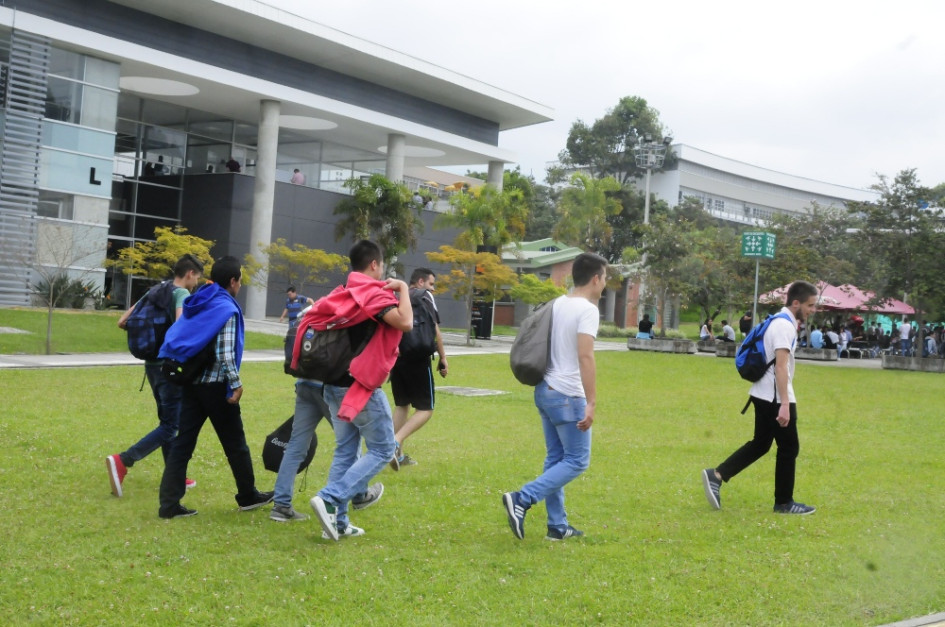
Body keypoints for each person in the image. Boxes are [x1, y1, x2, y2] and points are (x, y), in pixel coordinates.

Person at [307, 240, 413, 541]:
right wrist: (404, 288)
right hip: (359, 388)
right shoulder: (371, 293)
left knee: (346, 450)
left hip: (332, 384)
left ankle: (338, 523)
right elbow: (405, 322)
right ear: (375, 264)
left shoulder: (343, 292)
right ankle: (330, 498)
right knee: (383, 449)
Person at [157, 256, 273, 518]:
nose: (240, 284)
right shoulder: (225, 307)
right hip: (215, 386)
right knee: (235, 443)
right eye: (240, 279)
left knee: (183, 444)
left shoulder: (199, 300)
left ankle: (168, 505)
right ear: (232, 281)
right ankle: (248, 495)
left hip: (191, 382)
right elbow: (225, 353)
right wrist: (236, 384)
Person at [502, 252, 608, 541]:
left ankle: (557, 526)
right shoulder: (588, 310)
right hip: (567, 395)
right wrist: (591, 402)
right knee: (577, 460)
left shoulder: (558, 303)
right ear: (595, 278)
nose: (605, 284)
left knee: (556, 458)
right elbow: (585, 356)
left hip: (546, 390)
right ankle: (522, 498)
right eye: (605, 278)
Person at [702, 280, 819, 516]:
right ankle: (784, 503)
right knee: (789, 447)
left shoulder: (777, 321)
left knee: (761, 444)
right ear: (796, 303)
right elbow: (781, 367)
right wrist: (785, 404)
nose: (813, 310)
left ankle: (717, 475)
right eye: (810, 305)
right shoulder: (784, 326)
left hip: (762, 393)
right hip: (775, 397)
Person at [107, 254, 204, 497]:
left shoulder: (156, 290)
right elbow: (182, 328)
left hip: (151, 366)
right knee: (171, 426)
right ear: (190, 273)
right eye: (197, 278)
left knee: (168, 422)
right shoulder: (182, 294)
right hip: (169, 367)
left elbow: (122, 321)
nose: (196, 283)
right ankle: (123, 460)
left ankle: (175, 475)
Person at [389, 268, 449, 469]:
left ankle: (395, 453)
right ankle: (395, 442)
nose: (433, 289)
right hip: (418, 359)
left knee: (402, 405)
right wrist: (443, 357)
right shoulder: (425, 296)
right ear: (421, 282)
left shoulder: (400, 297)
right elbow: (435, 329)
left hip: (398, 358)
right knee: (425, 409)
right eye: (431, 284)